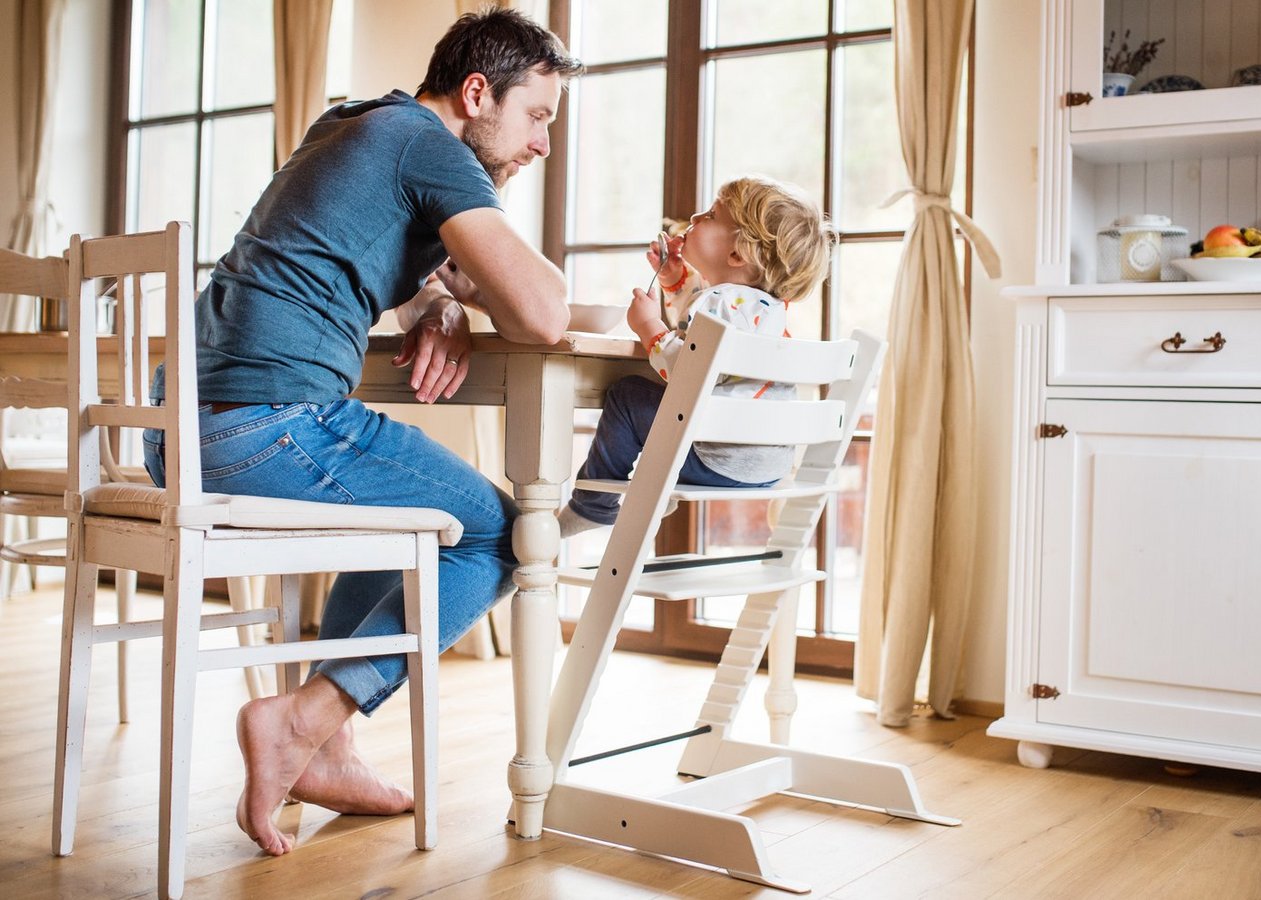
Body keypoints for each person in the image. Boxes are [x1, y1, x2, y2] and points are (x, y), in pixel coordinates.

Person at [140, 10, 582, 856]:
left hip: (183, 430)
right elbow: (544, 314)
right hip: (265, 422)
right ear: (477, 92)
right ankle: (305, 720)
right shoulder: (431, 147)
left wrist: (443, 302)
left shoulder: (350, 122)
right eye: (538, 115)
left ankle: (330, 749)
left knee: (405, 512)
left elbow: (361, 260)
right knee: (502, 532)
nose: (542, 144)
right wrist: (471, 296)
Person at [555, 175, 836, 537]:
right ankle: (660, 476)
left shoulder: (721, 305)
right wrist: (674, 279)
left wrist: (649, 327)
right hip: (765, 469)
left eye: (712, 215)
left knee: (627, 396)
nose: (695, 217)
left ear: (737, 254)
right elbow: (702, 334)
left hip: (716, 461)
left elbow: (689, 371)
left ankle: (592, 506)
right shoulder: (765, 310)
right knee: (659, 405)